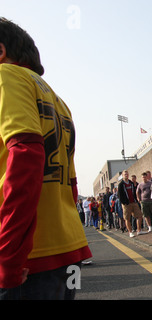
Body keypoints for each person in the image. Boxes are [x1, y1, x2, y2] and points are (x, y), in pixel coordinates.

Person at [0, 17, 91, 299]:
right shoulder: (57, 99)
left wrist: (8, 257)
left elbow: (25, 158)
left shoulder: (5, 77)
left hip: (28, 253)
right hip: (66, 244)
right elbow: (71, 181)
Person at [118, 170, 145, 238]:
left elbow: (135, 192)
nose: (126, 175)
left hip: (134, 202)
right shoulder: (121, 184)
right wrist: (124, 202)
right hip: (126, 204)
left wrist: (136, 199)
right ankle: (130, 232)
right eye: (125, 174)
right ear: (122, 175)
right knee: (127, 218)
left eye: (127, 174)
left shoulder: (131, 183)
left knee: (139, 216)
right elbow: (119, 195)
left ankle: (139, 230)